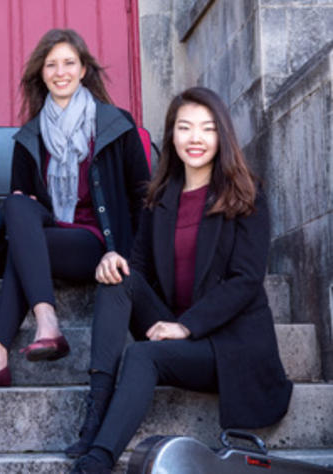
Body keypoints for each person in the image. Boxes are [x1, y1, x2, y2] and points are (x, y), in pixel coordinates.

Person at [68, 87, 293, 474]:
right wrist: (111, 259)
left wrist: (185, 326)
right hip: (176, 329)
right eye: (185, 127)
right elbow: (137, 272)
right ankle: (96, 412)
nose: (196, 138)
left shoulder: (246, 196)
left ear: (222, 136)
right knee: (118, 278)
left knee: (140, 355)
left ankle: (97, 461)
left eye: (207, 129)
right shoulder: (160, 199)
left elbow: (246, 280)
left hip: (227, 344)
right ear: (171, 135)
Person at [0, 28, 150, 388]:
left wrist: (135, 263)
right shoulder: (29, 138)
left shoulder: (115, 124)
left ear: (83, 70)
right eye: (51, 65)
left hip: (99, 246)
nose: (60, 71)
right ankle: (45, 320)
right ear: (41, 74)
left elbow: (143, 198)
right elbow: (24, 213)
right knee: (17, 204)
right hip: (49, 241)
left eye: (69, 63)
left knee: (20, 247)